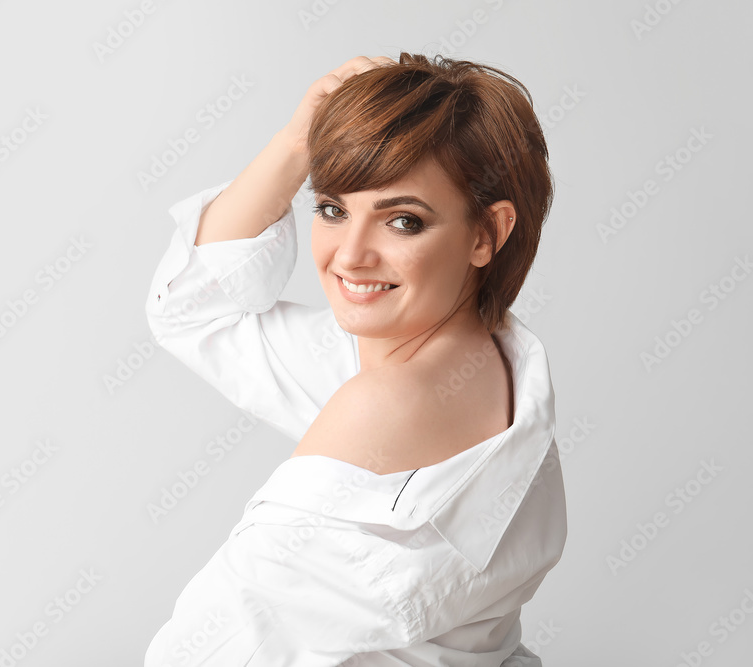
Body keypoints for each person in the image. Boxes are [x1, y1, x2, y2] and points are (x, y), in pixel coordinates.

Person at [143, 53, 566, 666]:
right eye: (334, 209)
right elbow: (189, 308)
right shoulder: (483, 359)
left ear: (486, 235)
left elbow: (211, 647)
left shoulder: (387, 401)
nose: (351, 256)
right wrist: (296, 142)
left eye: (402, 221)